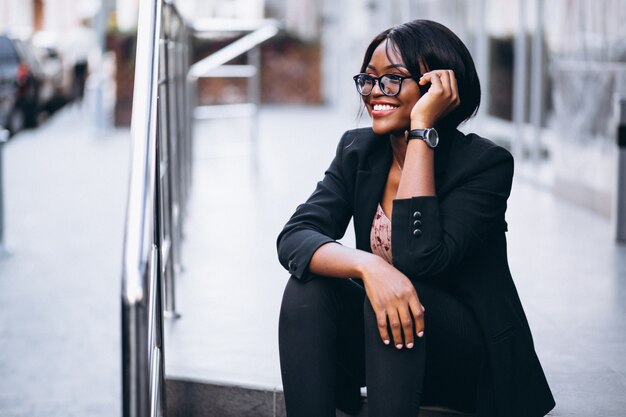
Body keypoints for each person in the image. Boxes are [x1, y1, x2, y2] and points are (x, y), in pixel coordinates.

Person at [276, 20, 556, 417]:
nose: (375, 93)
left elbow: (418, 258)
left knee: (396, 294)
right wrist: (369, 265)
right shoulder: (358, 151)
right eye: (369, 80)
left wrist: (421, 131)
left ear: (435, 88)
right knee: (308, 288)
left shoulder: (485, 164)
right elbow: (295, 236)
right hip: (386, 347)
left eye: (393, 80)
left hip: (464, 358)